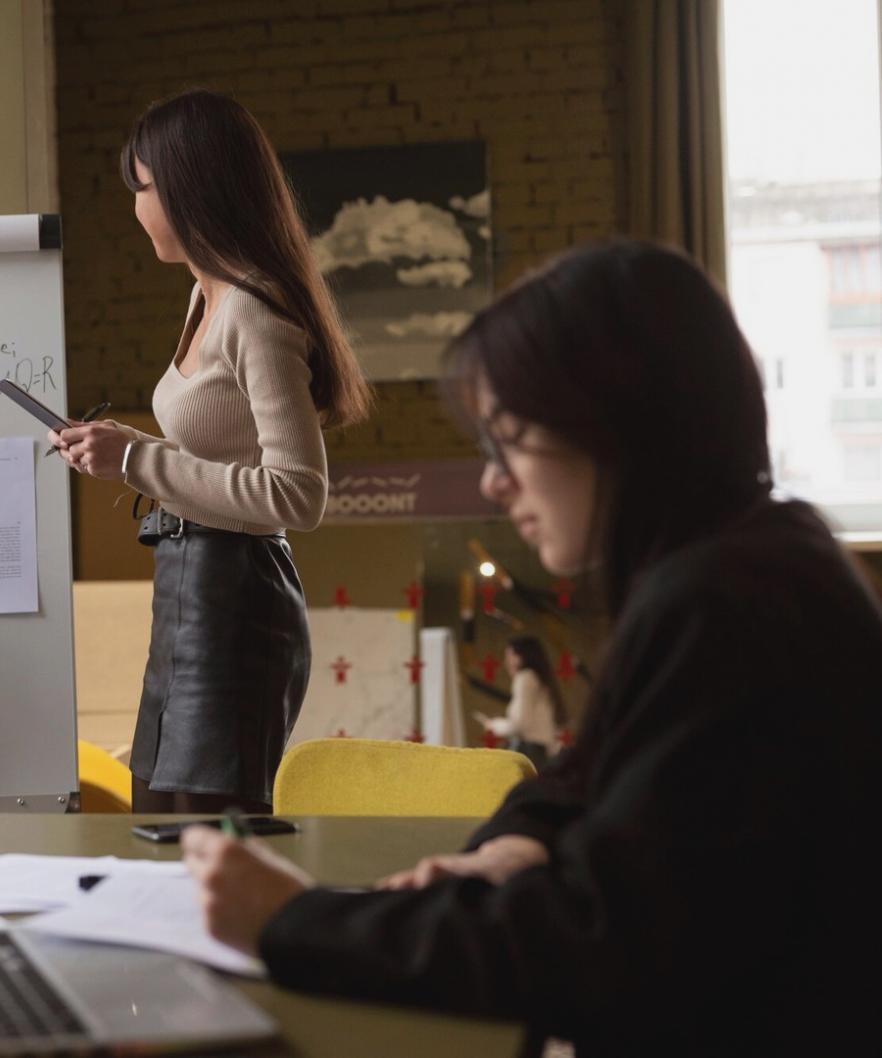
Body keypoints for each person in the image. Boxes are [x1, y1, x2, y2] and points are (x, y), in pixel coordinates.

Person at [181, 241, 882, 1055]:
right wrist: (513, 849)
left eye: (511, 438)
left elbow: (596, 940)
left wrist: (292, 921)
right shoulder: (751, 553)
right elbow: (589, 775)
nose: (493, 482)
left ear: (621, 424)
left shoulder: (725, 603)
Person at [52, 90, 372, 813]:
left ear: (194, 188)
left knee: (203, 830)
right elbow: (216, 449)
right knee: (156, 814)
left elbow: (297, 494)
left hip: (237, 599)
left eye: (144, 187)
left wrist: (136, 462)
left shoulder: (254, 314)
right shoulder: (204, 299)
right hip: (186, 585)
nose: (136, 209)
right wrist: (123, 445)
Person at [475, 635, 565, 769]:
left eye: (510, 656)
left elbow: (519, 724)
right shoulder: (540, 680)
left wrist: (494, 725)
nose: (506, 662)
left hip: (528, 752)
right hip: (540, 753)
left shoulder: (525, 678)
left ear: (521, 657)